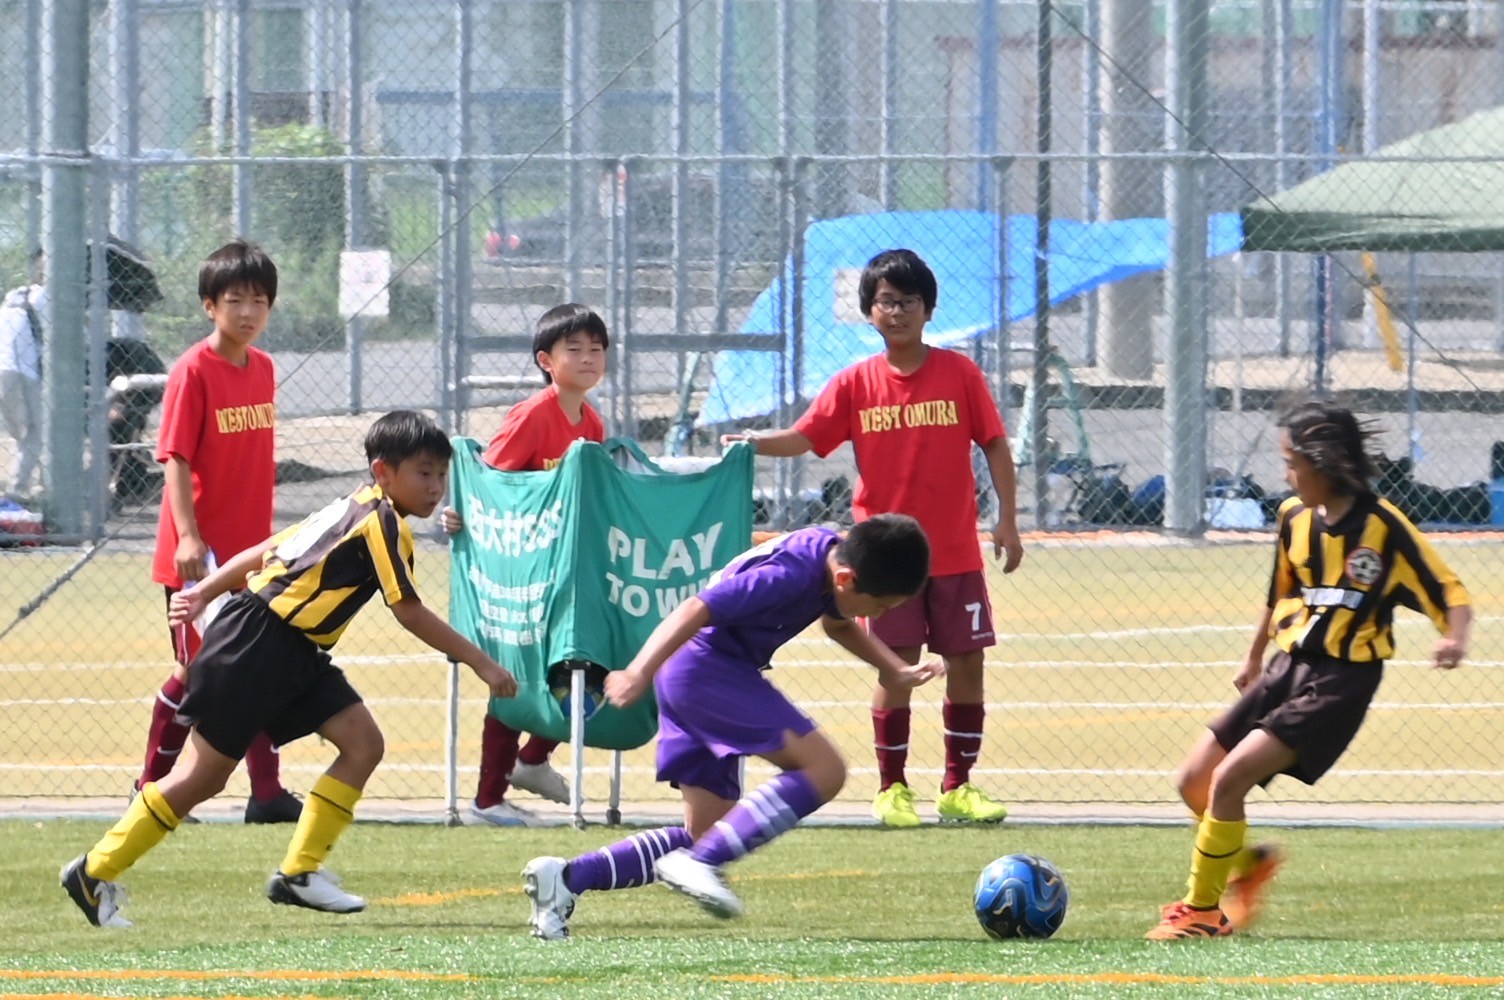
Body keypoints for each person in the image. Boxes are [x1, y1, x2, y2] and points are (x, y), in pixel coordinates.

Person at [60, 410, 518, 928]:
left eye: (441, 474)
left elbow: (266, 550)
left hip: (293, 649)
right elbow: (408, 610)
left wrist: (205, 591)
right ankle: (93, 871)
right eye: (424, 473)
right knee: (201, 778)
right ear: (383, 472)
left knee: (363, 743)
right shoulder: (381, 521)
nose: (436, 487)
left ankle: (299, 873)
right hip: (258, 646)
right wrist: (482, 663)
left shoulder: (353, 506)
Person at [521, 514, 944, 939]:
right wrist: (637, 671)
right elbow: (696, 607)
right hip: (706, 669)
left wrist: (893, 668)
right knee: (825, 770)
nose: (879, 615)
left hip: (692, 671)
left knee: (707, 835)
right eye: (880, 606)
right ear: (846, 579)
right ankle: (700, 863)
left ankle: (568, 878)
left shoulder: (832, 557)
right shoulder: (789, 575)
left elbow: (837, 624)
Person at [1147, 400, 1472, 940]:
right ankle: (1248, 867)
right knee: (1193, 781)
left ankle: (1202, 911)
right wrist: (1254, 657)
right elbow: (1279, 592)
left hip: (1342, 680)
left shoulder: (1383, 527)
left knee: (1230, 779)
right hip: (1287, 666)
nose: (1285, 474)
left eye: (1291, 463)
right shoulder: (1293, 517)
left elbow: (1450, 591)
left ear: (1323, 463)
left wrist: (1454, 637)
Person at [727, 248, 1024, 829]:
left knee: (967, 663)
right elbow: (806, 437)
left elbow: (994, 443)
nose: (897, 311)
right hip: (886, 560)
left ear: (929, 309)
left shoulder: (960, 374)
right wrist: (752, 442)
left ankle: (958, 786)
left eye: (909, 301)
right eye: (886, 301)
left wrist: (1006, 519)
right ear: (869, 312)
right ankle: (893, 789)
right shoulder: (855, 382)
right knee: (896, 666)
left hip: (955, 552)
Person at [133, 240, 301, 824]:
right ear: (210, 305)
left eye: (259, 301)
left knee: (254, 667)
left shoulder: (265, 369)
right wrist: (188, 536)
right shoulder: (193, 370)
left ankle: (267, 794)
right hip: (200, 560)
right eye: (235, 300)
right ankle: (150, 790)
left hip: (250, 556)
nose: (248, 312)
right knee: (197, 674)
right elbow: (175, 458)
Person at [440, 303, 608, 826]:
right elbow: (491, 483)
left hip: (564, 578)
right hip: (521, 580)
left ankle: (533, 759)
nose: (588, 358)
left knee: (583, 671)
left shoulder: (593, 423)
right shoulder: (532, 415)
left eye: (596, 349)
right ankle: (486, 800)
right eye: (574, 349)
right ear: (545, 360)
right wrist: (460, 514)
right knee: (514, 681)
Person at [0, 251, 46, 501]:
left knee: (23, 434)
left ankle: (23, 485)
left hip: (4, 367)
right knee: (35, 433)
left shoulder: (15, 295)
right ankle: (19, 489)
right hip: (24, 372)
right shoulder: (44, 297)